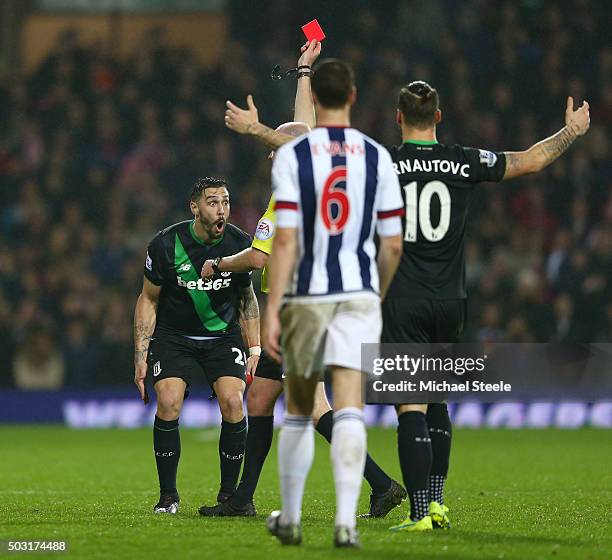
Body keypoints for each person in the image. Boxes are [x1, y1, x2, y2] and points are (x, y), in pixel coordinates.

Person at [223, 80, 590, 532]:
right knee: (439, 401)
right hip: (451, 300)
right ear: (439, 116)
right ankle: (436, 503)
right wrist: (571, 132)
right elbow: (530, 160)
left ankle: (417, 511)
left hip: (403, 298)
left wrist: (256, 127)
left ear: (397, 117)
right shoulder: (464, 160)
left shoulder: (382, 162)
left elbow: (315, 146)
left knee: (410, 407)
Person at [199, 42, 405, 520]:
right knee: (261, 397)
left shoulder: (284, 199)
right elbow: (304, 129)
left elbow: (256, 256)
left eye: (276, 152)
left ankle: (380, 484)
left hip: (297, 308)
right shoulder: (313, 178)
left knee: (312, 405)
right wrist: (304, 70)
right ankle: (243, 499)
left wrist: (218, 266)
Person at [262, 58, 404, 548]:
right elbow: (392, 244)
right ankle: (346, 523)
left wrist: (274, 306)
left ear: (315, 101)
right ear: (354, 96)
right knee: (349, 408)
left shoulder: (295, 157)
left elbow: (284, 240)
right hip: (359, 292)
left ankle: (292, 519)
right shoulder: (377, 156)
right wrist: (375, 295)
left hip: (307, 294)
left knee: (300, 409)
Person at [133, 177, 260, 515]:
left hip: (223, 336)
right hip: (176, 337)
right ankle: (168, 496)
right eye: (214, 202)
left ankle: (230, 497)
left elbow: (247, 298)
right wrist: (141, 356)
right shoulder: (164, 244)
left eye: (226, 202)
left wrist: (255, 348)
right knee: (169, 402)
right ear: (195, 207)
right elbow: (148, 299)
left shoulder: (239, 243)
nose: (222, 210)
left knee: (233, 402)